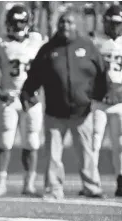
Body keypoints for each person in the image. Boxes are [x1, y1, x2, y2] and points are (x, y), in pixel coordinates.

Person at [20, 9, 109, 199]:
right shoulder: (48, 49)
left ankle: (92, 187)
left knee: (87, 153)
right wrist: (27, 92)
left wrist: (100, 96)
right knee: (53, 156)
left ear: (76, 24)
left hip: (82, 112)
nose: (64, 26)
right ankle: (54, 189)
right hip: (54, 112)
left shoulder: (88, 47)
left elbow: (102, 74)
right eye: (62, 22)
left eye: (69, 22)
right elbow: (34, 75)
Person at [0, 4, 44, 197]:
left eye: (22, 21)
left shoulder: (37, 41)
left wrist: (36, 90)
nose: (19, 25)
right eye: (15, 21)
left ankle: (29, 183)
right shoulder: (0, 43)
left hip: (31, 98)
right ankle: (0, 182)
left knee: (32, 142)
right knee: (5, 141)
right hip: (9, 98)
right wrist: (1, 94)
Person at [91, 4, 122, 197]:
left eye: (117, 24)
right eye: (110, 23)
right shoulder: (95, 42)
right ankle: (92, 182)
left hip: (120, 101)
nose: (114, 27)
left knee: (120, 144)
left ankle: (121, 181)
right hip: (98, 100)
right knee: (94, 143)